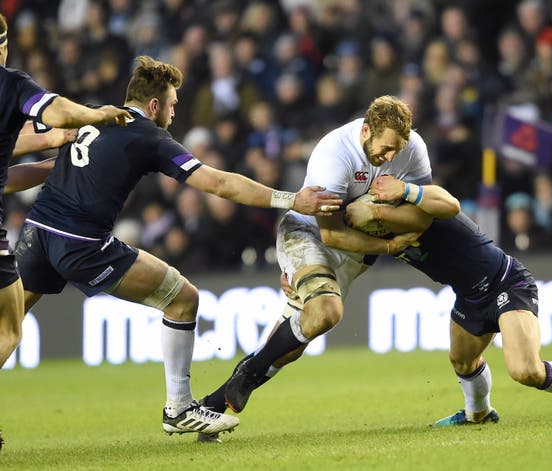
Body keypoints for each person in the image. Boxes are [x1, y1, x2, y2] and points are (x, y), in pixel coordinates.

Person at [9, 55, 342, 438]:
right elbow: (217, 184)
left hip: (37, 233)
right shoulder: (148, 136)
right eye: (172, 104)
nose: (174, 111)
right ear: (154, 105)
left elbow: (49, 169)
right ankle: (179, 408)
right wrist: (290, 199)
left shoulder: (93, 120)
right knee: (183, 298)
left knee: (5, 330)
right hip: (81, 243)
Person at [199, 95, 460, 435]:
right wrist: (388, 243)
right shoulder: (334, 153)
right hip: (308, 236)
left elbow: (424, 212)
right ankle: (248, 374)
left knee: (289, 345)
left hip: (354, 255)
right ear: (366, 130)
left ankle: (213, 407)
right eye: (385, 148)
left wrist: (389, 209)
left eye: (397, 150)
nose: (391, 157)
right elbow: (332, 235)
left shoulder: (413, 149)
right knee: (326, 312)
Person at [347, 175, 552, 424]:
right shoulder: (383, 238)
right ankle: (479, 414)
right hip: (469, 297)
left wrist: (401, 193)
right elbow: (337, 239)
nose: (369, 227)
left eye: (371, 218)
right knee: (462, 361)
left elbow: (449, 203)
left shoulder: (422, 209)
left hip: (506, 283)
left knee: (526, 371)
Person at [0, 12, 131, 369]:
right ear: (4, 46)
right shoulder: (9, 84)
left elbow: (5, 177)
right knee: (7, 331)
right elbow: (56, 110)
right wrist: (97, 115)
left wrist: (49, 158)